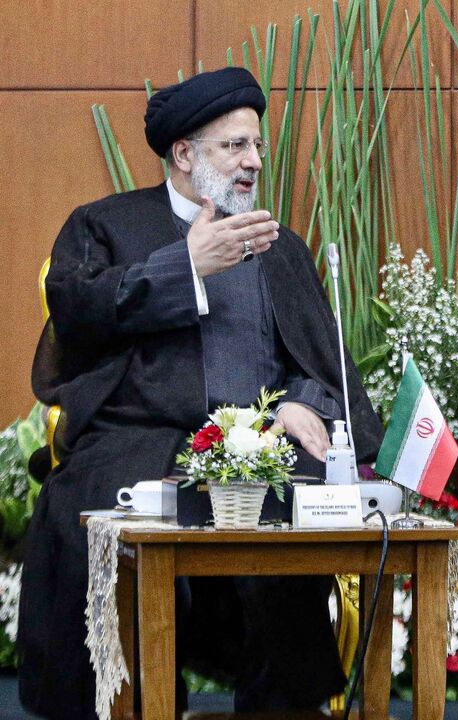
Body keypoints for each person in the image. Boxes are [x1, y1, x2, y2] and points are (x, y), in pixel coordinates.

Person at [21, 67, 384, 718]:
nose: (252, 162)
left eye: (256, 146)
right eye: (234, 146)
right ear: (183, 154)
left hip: (264, 444)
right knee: (87, 523)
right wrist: (184, 265)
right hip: (141, 437)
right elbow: (77, 309)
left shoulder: (278, 247)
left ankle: (279, 711)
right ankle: (124, 707)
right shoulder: (105, 225)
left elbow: (324, 364)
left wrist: (302, 400)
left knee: (298, 521)